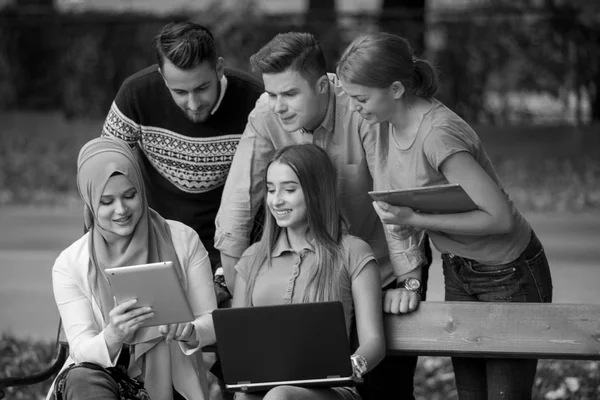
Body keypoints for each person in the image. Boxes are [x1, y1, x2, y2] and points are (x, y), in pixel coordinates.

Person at [337, 32, 554, 400]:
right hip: (458, 268)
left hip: (508, 272)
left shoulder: (438, 135)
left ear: (395, 89)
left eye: (360, 99)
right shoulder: (383, 122)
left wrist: (413, 218)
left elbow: (499, 218)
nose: (355, 108)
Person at [215, 31, 431, 400]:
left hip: (379, 264)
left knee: (387, 388)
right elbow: (239, 199)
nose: (278, 105)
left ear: (321, 86)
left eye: (289, 94)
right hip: (313, 278)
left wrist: (408, 281)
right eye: (272, 94)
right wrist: (240, 290)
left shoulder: (360, 109)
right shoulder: (267, 114)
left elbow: (391, 195)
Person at [48, 137, 218, 400]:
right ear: (90, 201)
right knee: (83, 381)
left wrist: (191, 331)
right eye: (106, 202)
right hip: (104, 381)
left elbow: (212, 321)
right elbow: (81, 348)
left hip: (176, 379)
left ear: (141, 188)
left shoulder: (183, 240)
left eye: (130, 195)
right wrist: (114, 334)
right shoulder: (70, 264)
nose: (121, 210)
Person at [101, 21, 264, 294]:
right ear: (163, 78)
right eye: (179, 92)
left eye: (202, 88)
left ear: (219, 69)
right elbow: (103, 173)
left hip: (233, 249)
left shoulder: (255, 100)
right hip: (156, 242)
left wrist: (233, 268)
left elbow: (274, 185)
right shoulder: (136, 94)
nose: (192, 103)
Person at [231, 144, 385, 400]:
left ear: (316, 192)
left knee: (279, 397)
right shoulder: (252, 258)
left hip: (331, 391)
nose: (276, 200)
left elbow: (374, 342)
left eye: (289, 190)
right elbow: (238, 340)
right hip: (262, 387)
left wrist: (353, 365)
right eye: (270, 190)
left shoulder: (352, 252)